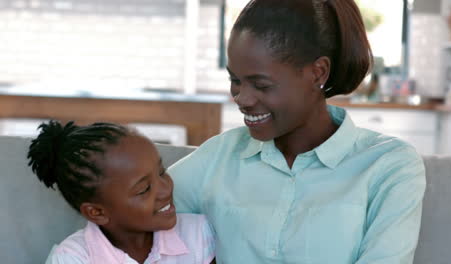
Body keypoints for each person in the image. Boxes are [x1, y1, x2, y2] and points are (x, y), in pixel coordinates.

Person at [169, 0, 426, 263]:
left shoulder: (389, 165)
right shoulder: (218, 156)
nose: (242, 98)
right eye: (235, 80)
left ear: (318, 73)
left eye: (261, 85)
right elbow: (134, 209)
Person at [27, 121, 215, 264]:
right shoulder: (73, 258)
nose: (166, 189)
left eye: (161, 172)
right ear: (97, 212)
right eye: (144, 189)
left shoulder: (199, 234)